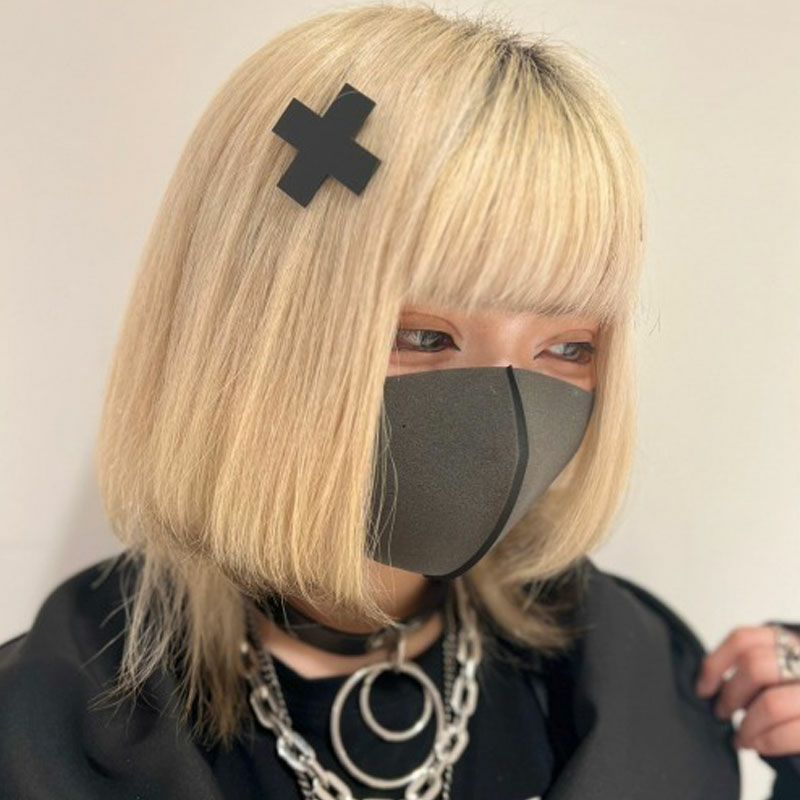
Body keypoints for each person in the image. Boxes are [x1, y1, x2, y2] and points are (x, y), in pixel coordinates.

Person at [1, 3, 798, 799]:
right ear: (251, 333)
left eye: (567, 348)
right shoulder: (45, 734)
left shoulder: (645, 688)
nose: (507, 414)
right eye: (423, 336)